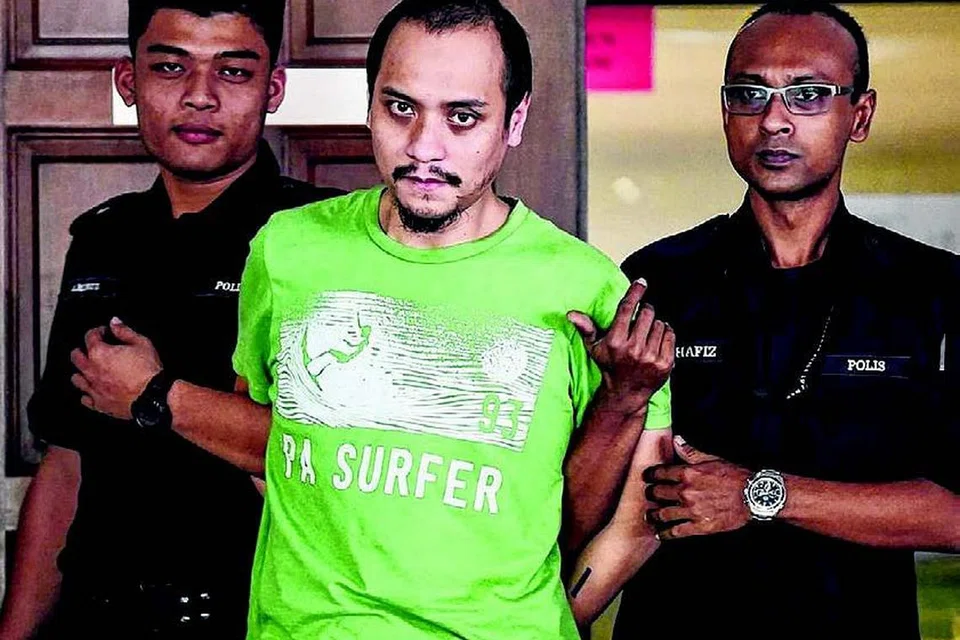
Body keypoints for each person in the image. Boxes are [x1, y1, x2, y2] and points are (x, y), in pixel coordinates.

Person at [67, 1, 674, 637]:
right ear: (370, 105)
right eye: (400, 108)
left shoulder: (587, 287)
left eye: (462, 117)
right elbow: (271, 449)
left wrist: (532, 623)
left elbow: (634, 518)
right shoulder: (289, 248)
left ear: (514, 120)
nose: (424, 147)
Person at [566, 3, 960, 638]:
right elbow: (585, 512)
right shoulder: (660, 277)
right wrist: (620, 401)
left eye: (808, 95)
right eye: (749, 95)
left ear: (859, 115)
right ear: (726, 113)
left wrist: (759, 495)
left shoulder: (930, 288)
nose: (774, 120)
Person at [0, 2, 339, 638]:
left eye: (233, 72)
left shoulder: (323, 242)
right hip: (93, 619)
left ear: (273, 88)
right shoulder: (102, 238)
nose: (200, 96)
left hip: (247, 619)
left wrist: (155, 395)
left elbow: (342, 456)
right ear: (128, 81)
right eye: (170, 67)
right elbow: (68, 458)